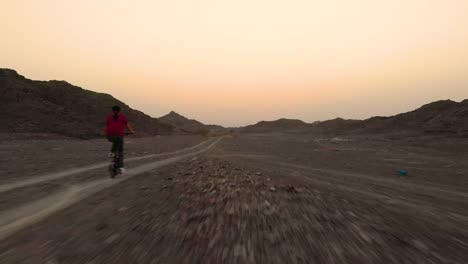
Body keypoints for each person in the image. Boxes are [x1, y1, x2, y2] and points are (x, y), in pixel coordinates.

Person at [106, 106, 134, 173]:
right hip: (119, 135)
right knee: (120, 151)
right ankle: (121, 167)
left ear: (112, 111)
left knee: (115, 142)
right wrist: (131, 131)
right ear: (119, 111)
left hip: (110, 136)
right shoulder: (122, 117)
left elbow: (108, 126)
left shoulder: (109, 117)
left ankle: (111, 152)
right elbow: (127, 125)